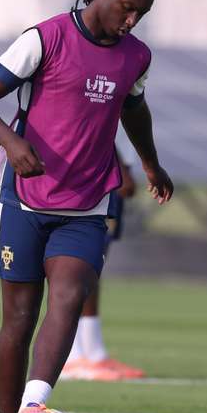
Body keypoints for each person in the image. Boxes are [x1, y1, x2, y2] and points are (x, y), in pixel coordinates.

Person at [0, 0, 173, 413]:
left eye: (140, 14)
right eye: (127, 7)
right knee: (18, 318)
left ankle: (34, 410)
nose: (131, 21)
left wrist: (150, 164)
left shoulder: (135, 57)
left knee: (71, 294)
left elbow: (134, 110)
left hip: (86, 203)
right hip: (24, 200)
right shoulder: (46, 38)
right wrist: (13, 145)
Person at [60, 143, 146, 381]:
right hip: (96, 167)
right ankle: (71, 355)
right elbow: (100, 121)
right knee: (75, 265)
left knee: (94, 265)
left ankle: (93, 352)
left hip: (107, 168)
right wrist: (121, 170)